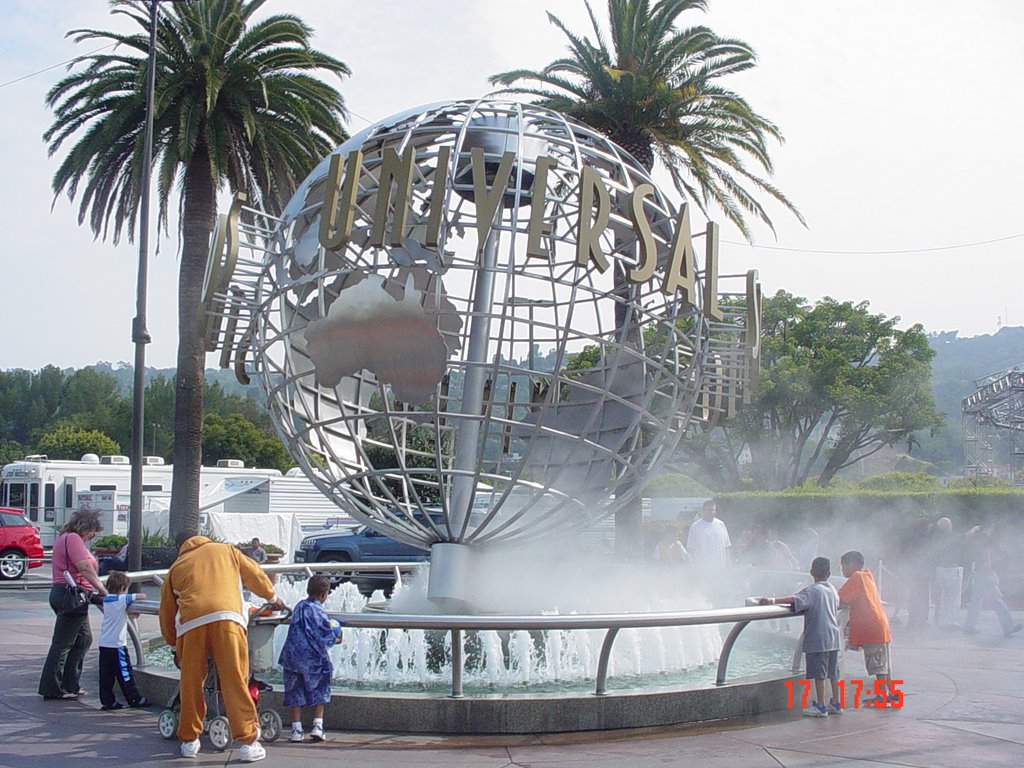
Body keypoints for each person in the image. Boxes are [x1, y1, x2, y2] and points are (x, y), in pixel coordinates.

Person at [159, 530, 285, 762]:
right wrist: (272, 596)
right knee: (235, 680)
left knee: (191, 683)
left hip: (191, 625)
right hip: (228, 618)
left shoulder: (176, 567)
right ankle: (247, 743)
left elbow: (166, 612)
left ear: (181, 547)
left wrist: (172, 643)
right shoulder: (226, 551)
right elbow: (254, 574)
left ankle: (189, 741)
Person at [38, 508, 108, 700]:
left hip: (67, 594)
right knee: (63, 643)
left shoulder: (64, 538)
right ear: (85, 526)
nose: (93, 535)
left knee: (83, 639)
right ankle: (53, 687)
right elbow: (84, 567)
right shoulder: (73, 539)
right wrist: (102, 590)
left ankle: (70, 683)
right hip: (72, 596)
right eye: (93, 530)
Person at [760, 557, 843, 717]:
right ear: (829, 573)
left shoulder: (812, 591)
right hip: (833, 637)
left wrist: (772, 600)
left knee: (819, 673)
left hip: (818, 638)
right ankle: (836, 702)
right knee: (833, 672)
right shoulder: (833, 590)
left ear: (811, 572)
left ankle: (820, 705)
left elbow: (795, 600)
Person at [278, 575, 343, 743]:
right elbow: (322, 634)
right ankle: (317, 726)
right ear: (324, 594)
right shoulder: (317, 610)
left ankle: (296, 729)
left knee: (295, 692)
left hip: (292, 657)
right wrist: (337, 638)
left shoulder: (299, 605)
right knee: (321, 686)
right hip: (311, 660)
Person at [838, 550, 895, 705]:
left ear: (852, 565)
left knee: (877, 665)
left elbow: (841, 598)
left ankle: (882, 696)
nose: (842, 570)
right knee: (883, 663)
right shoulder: (867, 576)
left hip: (872, 627)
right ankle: (890, 693)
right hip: (879, 624)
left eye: (843, 566)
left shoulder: (856, 577)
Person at [97, 570, 151, 710]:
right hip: (117, 645)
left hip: (104, 643)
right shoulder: (122, 599)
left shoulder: (107, 599)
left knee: (106, 675)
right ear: (122, 589)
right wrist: (129, 600)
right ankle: (134, 698)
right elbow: (142, 596)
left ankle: (108, 701)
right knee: (125, 672)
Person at [961, 521, 1022, 638]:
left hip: (977, 571)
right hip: (985, 572)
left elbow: (966, 538)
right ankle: (1008, 627)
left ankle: (969, 626)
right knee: (996, 599)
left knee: (976, 600)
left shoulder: (976, 537)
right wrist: (989, 571)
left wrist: (975, 528)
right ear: (992, 526)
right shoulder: (987, 538)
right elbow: (986, 554)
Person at [931, 517, 963, 628]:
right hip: (951, 569)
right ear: (947, 526)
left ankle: (942, 620)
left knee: (944, 596)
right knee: (953, 597)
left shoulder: (936, 538)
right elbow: (962, 540)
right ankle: (951, 621)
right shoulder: (950, 537)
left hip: (940, 569)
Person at [685, 500, 731, 569]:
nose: (711, 512)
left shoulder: (721, 524)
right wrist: (691, 566)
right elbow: (691, 548)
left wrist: (728, 563)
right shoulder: (695, 527)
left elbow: (727, 546)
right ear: (703, 511)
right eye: (709, 510)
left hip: (720, 567)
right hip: (702, 568)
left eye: (713, 510)